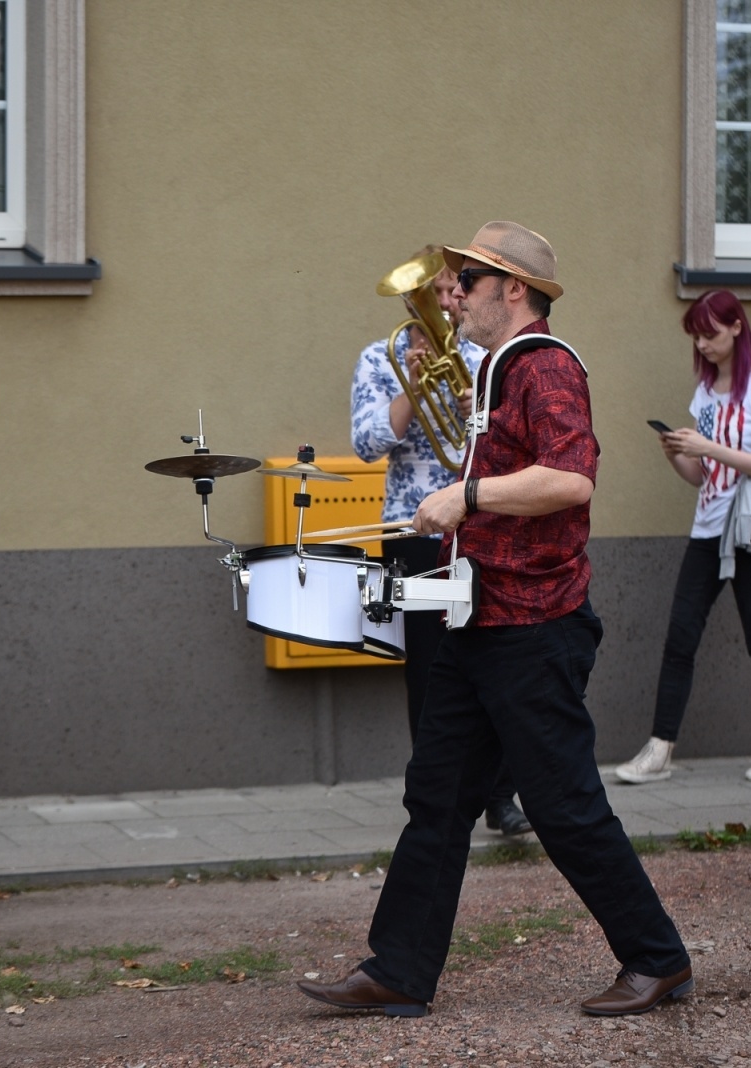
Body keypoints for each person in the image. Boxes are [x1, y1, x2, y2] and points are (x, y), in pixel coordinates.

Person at [298, 222, 693, 1019]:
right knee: (436, 795)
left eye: (468, 283)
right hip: (477, 616)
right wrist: (451, 518)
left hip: (533, 625)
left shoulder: (544, 365)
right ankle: (399, 970)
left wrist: (466, 498)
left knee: (562, 803)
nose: (454, 296)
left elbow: (572, 480)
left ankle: (659, 960)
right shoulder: (498, 374)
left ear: (513, 289)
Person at [350, 245, 529, 835]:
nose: (450, 301)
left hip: (480, 530)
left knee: (495, 659)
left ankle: (501, 797)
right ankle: (436, 797)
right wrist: (414, 389)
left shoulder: (491, 357)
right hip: (413, 532)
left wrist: (476, 405)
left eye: (457, 290)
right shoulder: (379, 359)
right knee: (428, 669)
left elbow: (513, 441)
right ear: (412, 299)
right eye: (441, 292)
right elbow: (367, 442)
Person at [615, 290, 751, 785]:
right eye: (696, 336)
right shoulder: (705, 393)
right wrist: (676, 451)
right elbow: (702, 475)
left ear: (735, 327)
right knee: (679, 639)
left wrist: (707, 445)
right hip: (707, 528)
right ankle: (660, 750)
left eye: (710, 334)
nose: (703, 345)